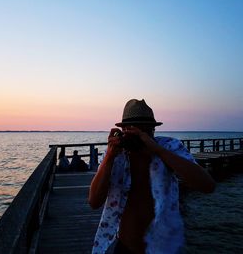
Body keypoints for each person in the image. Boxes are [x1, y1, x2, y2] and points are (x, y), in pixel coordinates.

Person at [89, 99, 215, 254]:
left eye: (144, 131)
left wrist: (158, 151)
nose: (139, 136)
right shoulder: (116, 156)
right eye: (133, 130)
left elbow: (208, 185)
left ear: (153, 130)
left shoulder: (169, 148)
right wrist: (109, 155)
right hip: (126, 246)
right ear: (123, 131)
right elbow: (94, 202)